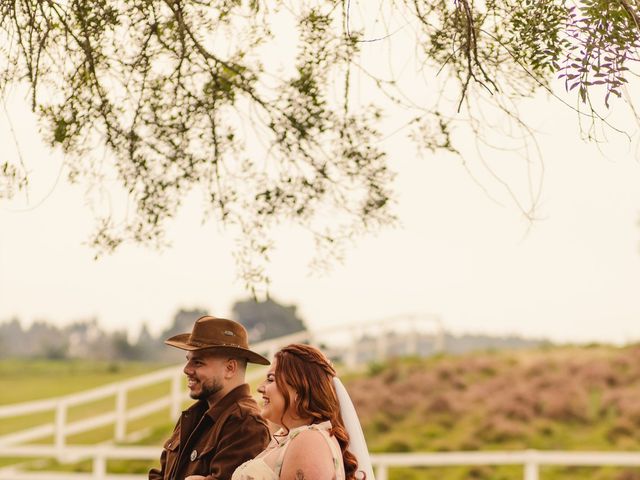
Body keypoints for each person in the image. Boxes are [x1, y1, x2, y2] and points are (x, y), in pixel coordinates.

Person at [149, 315, 271, 480]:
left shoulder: (246, 423)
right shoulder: (193, 415)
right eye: (188, 360)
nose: (186, 369)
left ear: (229, 368)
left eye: (198, 362)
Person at [232, 344, 374, 480]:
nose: (260, 387)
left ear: (299, 389)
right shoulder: (287, 437)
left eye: (270, 379)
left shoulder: (310, 441)